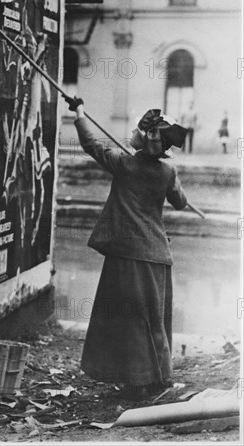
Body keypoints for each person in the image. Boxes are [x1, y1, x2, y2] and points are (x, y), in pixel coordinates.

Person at [64, 96, 188, 399]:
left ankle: (138, 381)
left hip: (127, 255)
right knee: (154, 318)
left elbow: (91, 145)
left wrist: (80, 112)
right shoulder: (167, 173)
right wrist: (173, 181)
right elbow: (180, 203)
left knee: (131, 318)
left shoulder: (124, 164)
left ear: (141, 138)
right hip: (157, 255)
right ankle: (159, 378)